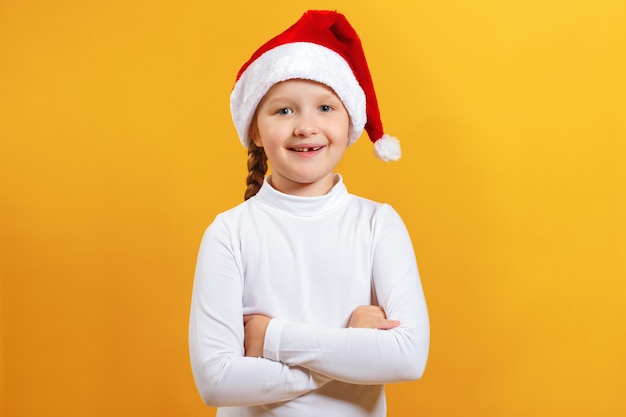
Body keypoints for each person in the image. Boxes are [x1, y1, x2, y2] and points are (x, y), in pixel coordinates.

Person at [188, 10, 430, 417]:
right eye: (284, 111)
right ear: (255, 130)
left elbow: (407, 357)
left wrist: (270, 338)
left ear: (349, 117)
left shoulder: (377, 224)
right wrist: (351, 344)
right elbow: (216, 380)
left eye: (325, 108)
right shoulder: (229, 233)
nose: (305, 127)